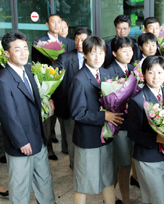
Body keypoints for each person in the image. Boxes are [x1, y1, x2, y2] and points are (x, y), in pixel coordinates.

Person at [0, 31, 55, 203]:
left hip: (38, 139)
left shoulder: (29, 70)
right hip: (21, 144)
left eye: (25, 47)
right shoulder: (3, 80)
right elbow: (8, 115)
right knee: (20, 189)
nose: (24, 53)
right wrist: (21, 141)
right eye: (18, 49)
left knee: (45, 183)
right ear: (7, 53)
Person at [68, 36, 124, 204]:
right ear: (85, 54)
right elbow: (77, 113)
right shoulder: (79, 79)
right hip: (87, 139)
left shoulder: (106, 73)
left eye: (101, 53)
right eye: (93, 53)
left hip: (105, 136)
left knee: (108, 179)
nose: (98, 57)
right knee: (83, 182)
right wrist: (104, 116)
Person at [127, 56, 164, 204]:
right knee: (160, 200)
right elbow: (133, 133)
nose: (156, 77)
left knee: (152, 198)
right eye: (151, 72)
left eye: (160, 72)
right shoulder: (138, 100)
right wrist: (156, 139)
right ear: (144, 74)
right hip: (147, 157)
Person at [31, 14, 75, 161]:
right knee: (48, 121)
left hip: (64, 86)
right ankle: (48, 148)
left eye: (59, 22)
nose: (56, 25)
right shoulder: (39, 42)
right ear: (47, 24)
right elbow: (36, 65)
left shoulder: (68, 42)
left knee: (66, 118)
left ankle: (68, 148)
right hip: (48, 86)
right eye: (53, 22)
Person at [52, 27, 92, 169]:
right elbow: (53, 75)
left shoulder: (96, 57)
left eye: (83, 39)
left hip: (92, 108)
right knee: (72, 139)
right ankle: (75, 166)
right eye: (77, 39)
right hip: (71, 107)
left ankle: (89, 166)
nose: (79, 42)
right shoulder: (65, 57)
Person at [106, 35, 134, 204]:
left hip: (132, 124)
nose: (128, 53)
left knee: (122, 163)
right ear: (115, 53)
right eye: (124, 51)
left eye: (130, 50)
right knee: (123, 164)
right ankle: (125, 199)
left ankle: (111, 196)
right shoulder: (108, 72)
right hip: (118, 125)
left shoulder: (134, 68)